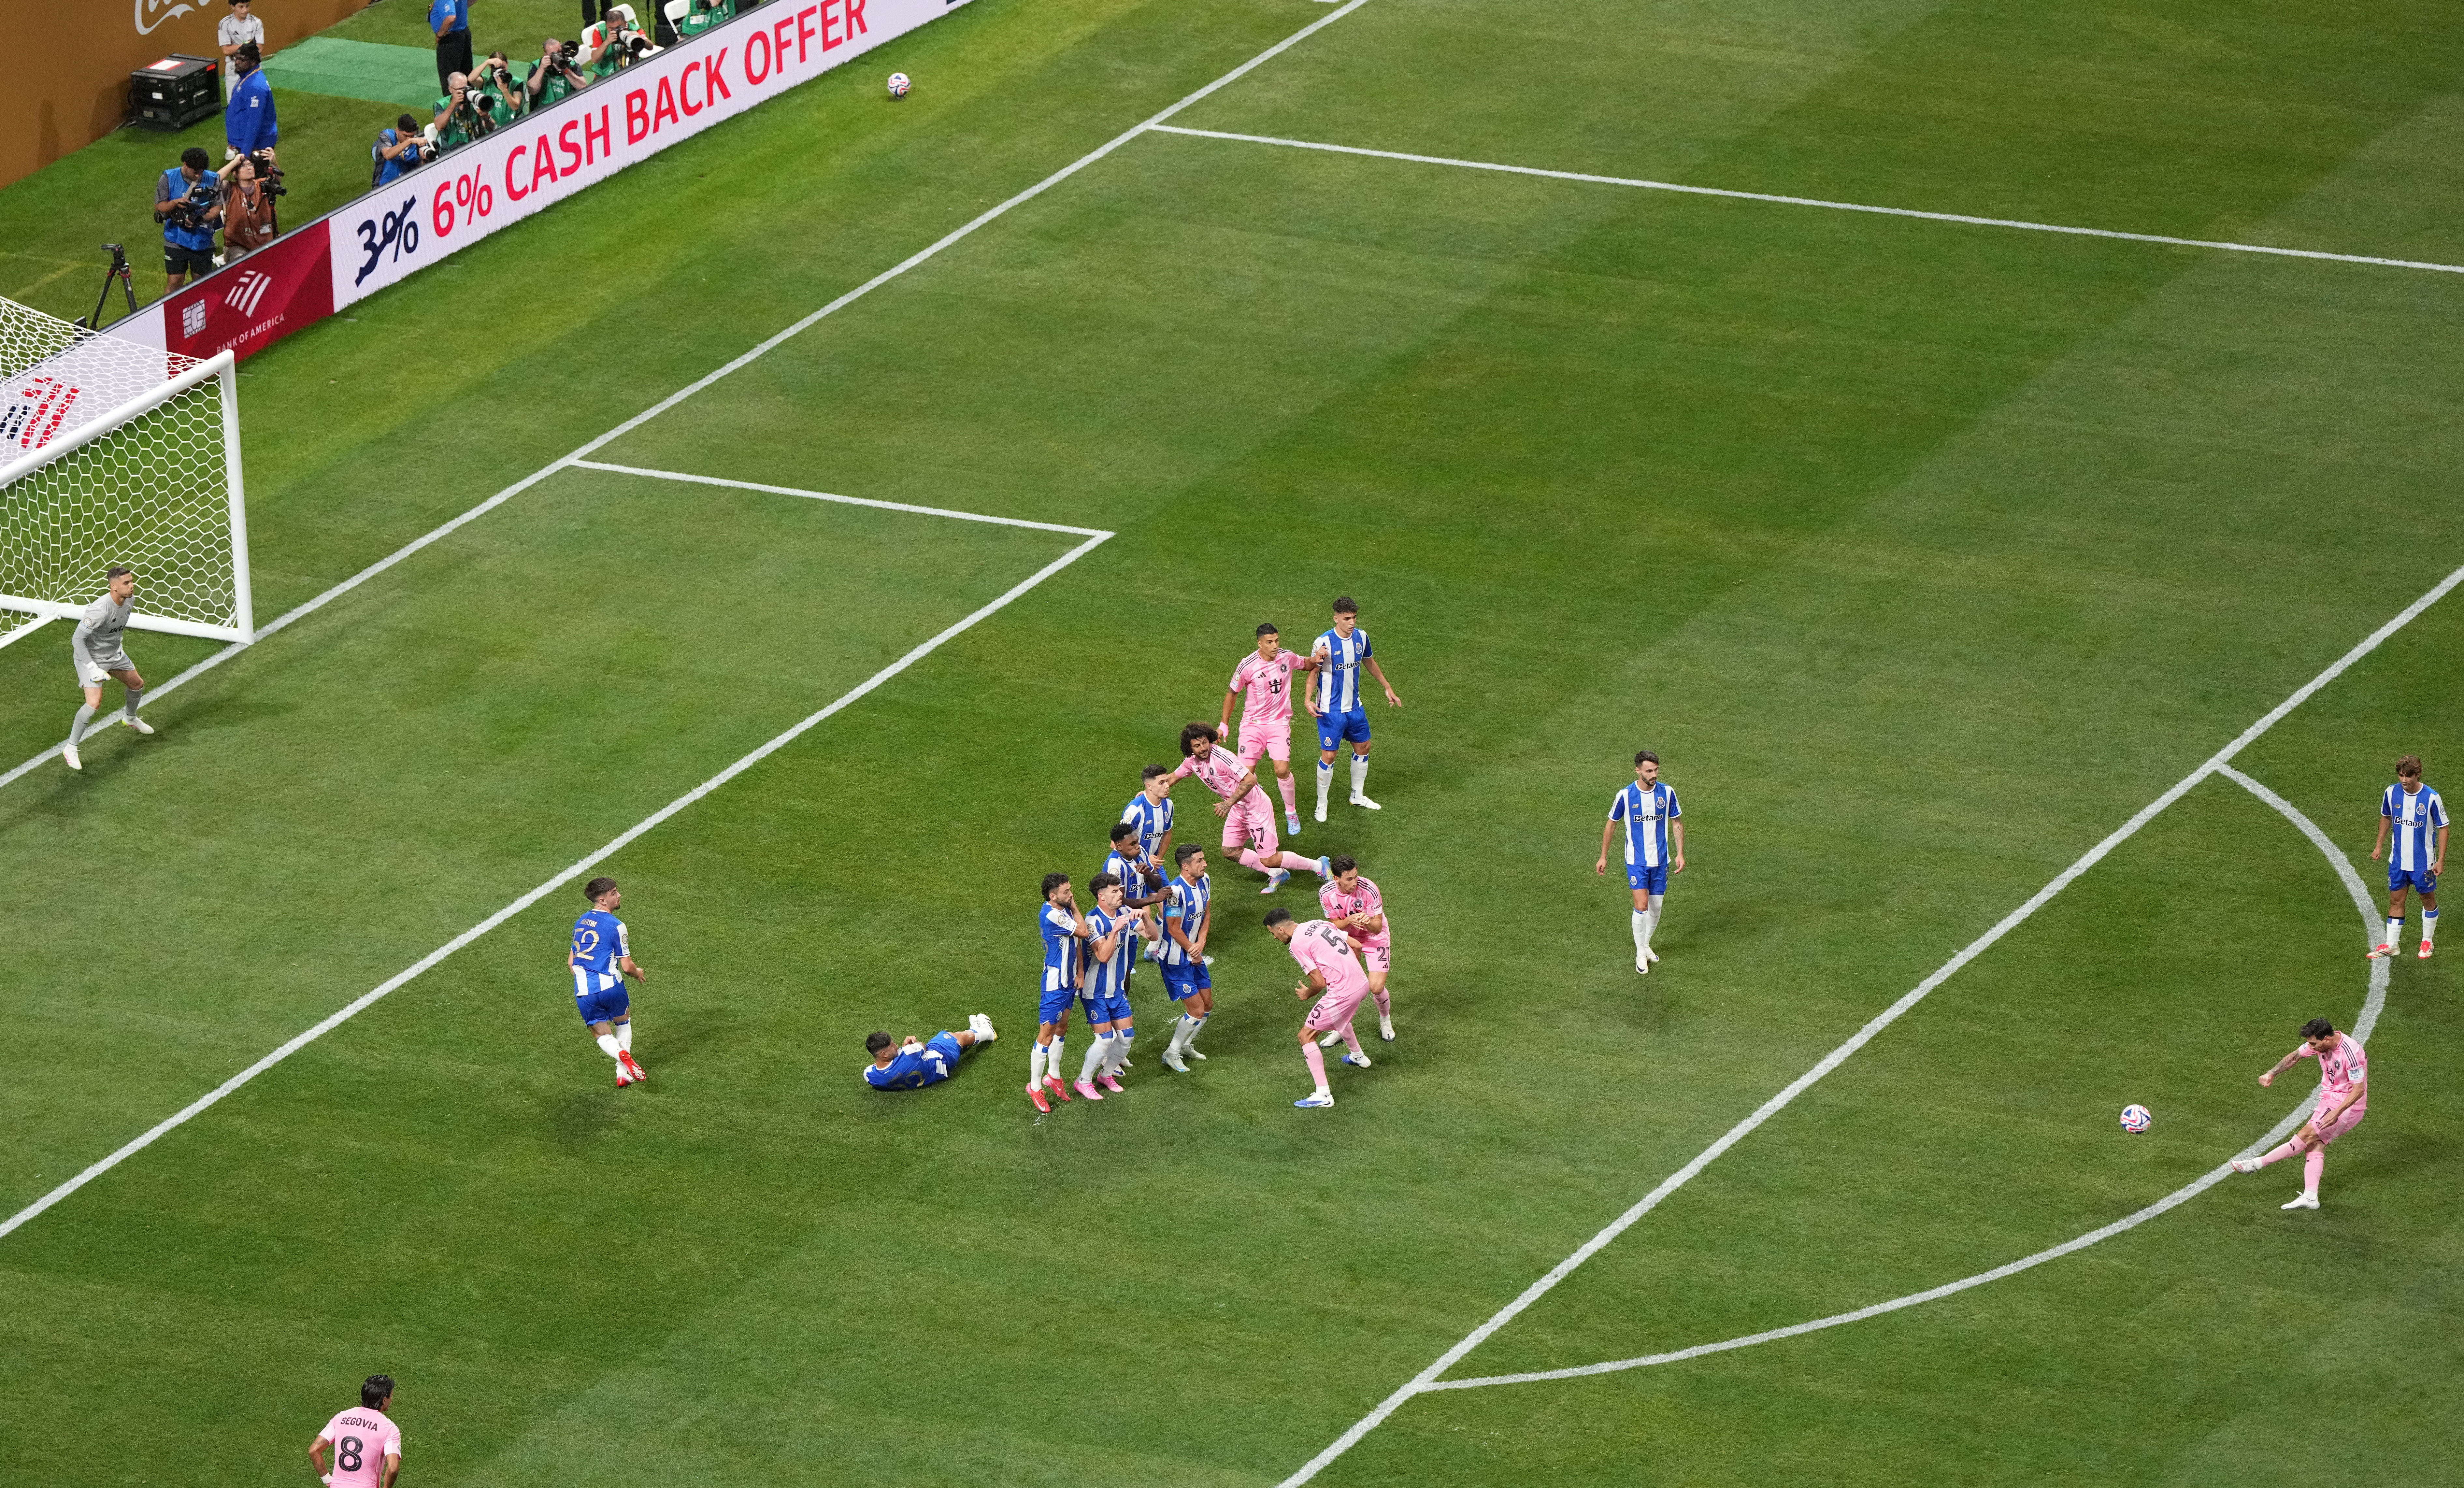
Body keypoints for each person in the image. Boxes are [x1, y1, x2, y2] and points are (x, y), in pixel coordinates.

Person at [1170, 722, 1331, 895]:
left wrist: (1228, 803)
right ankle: (1277, 873)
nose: (1203, 748)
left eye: (1205, 742)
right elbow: (1172, 778)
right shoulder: (1191, 763)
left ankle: (1319, 865)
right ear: (1190, 749)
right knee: (1230, 851)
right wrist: (1152, 791)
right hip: (1238, 809)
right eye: (1197, 746)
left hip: (1256, 808)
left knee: (1270, 859)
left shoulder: (1222, 758)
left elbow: (1250, 780)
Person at [2231, 1017, 2369, 1210]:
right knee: (2315, 1144)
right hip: (2329, 1100)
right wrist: (2272, 1072)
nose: (2311, 1047)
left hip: (2348, 1107)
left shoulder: (2352, 1053)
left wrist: (2337, 1113)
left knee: (2306, 1135)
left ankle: (2256, 1164)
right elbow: (2295, 1056)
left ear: (2327, 1039)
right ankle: (2311, 1197)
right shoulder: (2320, 1044)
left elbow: (2358, 1090)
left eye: (2314, 1043)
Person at [1266, 908, 1375, 1109]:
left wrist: (1308, 994)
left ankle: (1323, 1095)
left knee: (1306, 1036)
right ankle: (1358, 1056)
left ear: (1281, 930)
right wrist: (1348, 970)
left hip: (1343, 991)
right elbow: (1357, 945)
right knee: (1339, 1018)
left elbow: (1319, 982)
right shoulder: (1318, 923)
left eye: (1272, 933)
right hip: (1361, 982)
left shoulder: (1297, 944)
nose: (1274, 938)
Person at [1306, 596, 1401, 821]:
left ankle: (1357, 795)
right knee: (1329, 756)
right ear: (1336, 618)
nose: (1352, 623)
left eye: (1354, 618)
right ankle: (1322, 803)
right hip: (1330, 710)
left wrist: (1387, 687)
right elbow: (1313, 671)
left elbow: (1369, 661)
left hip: (1355, 708)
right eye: (1347, 618)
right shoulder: (1324, 642)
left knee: (1364, 747)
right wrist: (1308, 699)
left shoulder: (1362, 637)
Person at [1221, 622, 1316, 837]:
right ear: (1260, 644)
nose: (1275, 646)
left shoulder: (1287, 657)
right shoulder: (1247, 665)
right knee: (1244, 777)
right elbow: (1232, 692)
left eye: (1277, 641)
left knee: (1282, 770)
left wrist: (1317, 658)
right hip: (1252, 725)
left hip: (1279, 724)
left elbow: (1307, 664)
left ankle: (1291, 813)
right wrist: (1224, 723)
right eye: (1270, 642)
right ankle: (1253, 813)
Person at [1596, 749, 1684, 975]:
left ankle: (1645, 945)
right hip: (1636, 861)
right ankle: (1639, 953)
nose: (1654, 774)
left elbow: (1677, 823)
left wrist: (1680, 853)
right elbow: (1611, 824)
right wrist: (1603, 856)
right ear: (1638, 771)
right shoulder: (1626, 796)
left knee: (1657, 907)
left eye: (1656, 770)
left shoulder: (1668, 793)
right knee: (1642, 906)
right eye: (1649, 771)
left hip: (1661, 861)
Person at [63, 566, 152, 772]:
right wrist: (93, 668)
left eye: (131, 582)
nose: (132, 586)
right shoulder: (99, 610)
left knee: (137, 685)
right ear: (113, 587)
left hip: (115, 655)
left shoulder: (130, 600)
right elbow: (77, 640)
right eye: (126, 583)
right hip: (91, 659)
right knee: (94, 703)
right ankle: (71, 748)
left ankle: (130, 719)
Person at [1074, 873, 1151, 1099]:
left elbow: (1153, 935)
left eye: (1120, 890)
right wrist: (1116, 930)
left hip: (1116, 990)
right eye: (1115, 892)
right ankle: (1083, 1081)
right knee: (1105, 1039)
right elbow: (1103, 956)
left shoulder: (1125, 913)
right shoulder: (1092, 921)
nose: (1121, 895)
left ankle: (1106, 1074)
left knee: (1127, 1037)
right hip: (1094, 991)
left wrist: (1145, 918)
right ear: (1102, 897)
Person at [569, 876, 649, 1086]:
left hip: (584, 992)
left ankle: (620, 1058)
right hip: (611, 987)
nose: (619, 895)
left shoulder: (580, 923)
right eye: (614, 893)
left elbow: (571, 963)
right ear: (603, 900)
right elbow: (627, 966)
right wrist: (638, 973)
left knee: (600, 1033)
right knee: (623, 1021)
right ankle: (622, 1070)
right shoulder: (616, 925)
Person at [2367, 754, 2445, 960]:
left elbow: (2444, 828)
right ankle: (2392, 946)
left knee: (2427, 899)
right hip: (2398, 861)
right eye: (2401, 775)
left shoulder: (2431, 798)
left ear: (2418, 775)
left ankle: (2427, 941)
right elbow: (2386, 817)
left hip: (2424, 863)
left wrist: (2441, 860)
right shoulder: (2391, 793)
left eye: (2408, 776)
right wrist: (2379, 846)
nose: (2404, 780)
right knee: (2396, 899)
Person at [1313, 854, 1395, 1044]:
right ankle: (1341, 1029)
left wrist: (1366, 922)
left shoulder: (1370, 889)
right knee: (1341, 987)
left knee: (1376, 987)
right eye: (1349, 879)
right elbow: (1334, 925)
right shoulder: (1326, 894)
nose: (1355, 882)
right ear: (1337, 879)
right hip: (1348, 939)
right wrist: (1349, 921)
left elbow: (1377, 927)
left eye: (1356, 877)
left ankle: (1385, 1021)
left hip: (1375, 938)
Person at [1030, 872, 1091, 1112]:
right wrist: (1075, 906)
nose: (1071, 894)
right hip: (1055, 985)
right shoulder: (1053, 914)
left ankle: (1053, 1076)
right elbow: (1084, 933)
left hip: (1069, 981)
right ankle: (1035, 1087)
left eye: (1071, 890)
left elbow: (1075, 942)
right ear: (1053, 896)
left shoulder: (1062, 910)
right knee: (1046, 1035)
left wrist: (1081, 972)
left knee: (1062, 1028)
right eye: (1067, 892)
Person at [1157, 845, 1214, 1072]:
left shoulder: (1205, 881)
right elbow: (1173, 928)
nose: (1205, 864)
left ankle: (1186, 1044)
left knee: (1208, 1005)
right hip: (1175, 960)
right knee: (1196, 1010)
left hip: (1194, 953)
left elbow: (1207, 914)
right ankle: (1171, 1054)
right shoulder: (1174, 893)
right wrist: (1193, 949)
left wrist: (1201, 943)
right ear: (1186, 866)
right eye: (1200, 861)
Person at [309, 1374, 402, 1488]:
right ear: (384, 1400)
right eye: (391, 1396)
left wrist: (328, 1480)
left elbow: (314, 1450)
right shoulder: (390, 1429)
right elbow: (393, 1468)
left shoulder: (341, 1417)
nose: (392, 1400)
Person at [863, 1015, 995, 1090]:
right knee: (952, 1037)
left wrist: (902, 1051)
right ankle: (987, 1032)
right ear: (884, 1054)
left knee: (956, 1041)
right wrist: (908, 1046)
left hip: (928, 1075)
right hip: (941, 1060)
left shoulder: (871, 1077)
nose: (896, 1046)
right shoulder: (908, 1054)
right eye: (893, 1046)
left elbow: (892, 1070)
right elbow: (922, 1046)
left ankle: (974, 1030)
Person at [153, 147, 221, 293]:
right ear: (185, 164)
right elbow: (160, 206)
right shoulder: (168, 177)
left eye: (201, 172)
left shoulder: (214, 178)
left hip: (203, 239)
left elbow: (217, 208)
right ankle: (170, 313)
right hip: (175, 238)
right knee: (175, 281)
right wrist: (175, 203)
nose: (198, 175)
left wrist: (200, 219)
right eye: (195, 172)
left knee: (201, 281)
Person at [224, 43, 279, 163]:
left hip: (257, 145)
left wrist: (245, 153)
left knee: (256, 180)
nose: (237, 62)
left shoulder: (255, 87)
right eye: (236, 58)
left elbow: (254, 123)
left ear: (254, 62)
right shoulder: (248, 77)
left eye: (242, 59)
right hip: (248, 142)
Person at [221, 154, 277, 261]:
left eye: (251, 165)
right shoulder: (230, 189)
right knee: (241, 262)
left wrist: (274, 162)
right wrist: (234, 162)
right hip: (238, 245)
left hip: (266, 241)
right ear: (235, 174)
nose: (249, 168)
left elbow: (277, 181)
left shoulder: (263, 185)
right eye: (244, 166)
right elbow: (214, 181)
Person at [1121, 763, 1177, 869]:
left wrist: (1158, 859)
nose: (1168, 786)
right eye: (1162, 783)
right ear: (1149, 786)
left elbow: (1168, 833)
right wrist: (1145, 859)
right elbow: (1116, 844)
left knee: (1167, 886)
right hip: (1134, 866)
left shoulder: (1168, 805)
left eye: (1167, 781)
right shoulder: (1136, 811)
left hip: (1154, 865)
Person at [218, 0, 267, 100]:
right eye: (241, 7)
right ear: (233, 7)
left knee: (254, 102)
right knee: (234, 103)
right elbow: (226, 51)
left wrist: (237, 48)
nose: (245, 10)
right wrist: (247, 45)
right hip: (234, 69)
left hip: (254, 69)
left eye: (247, 6)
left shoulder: (257, 22)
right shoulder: (225, 24)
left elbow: (260, 48)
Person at [524, 38, 588, 111]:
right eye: (554, 55)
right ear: (546, 55)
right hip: (542, 111)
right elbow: (533, 91)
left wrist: (566, 70)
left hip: (568, 109)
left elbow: (583, 87)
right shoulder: (537, 65)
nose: (558, 57)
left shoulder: (572, 65)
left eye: (560, 53)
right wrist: (542, 69)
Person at [430, 0, 474, 95]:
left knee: (450, 79)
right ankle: (467, 106)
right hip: (464, 34)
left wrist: (440, 35)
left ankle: (453, 107)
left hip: (450, 40)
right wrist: (461, 8)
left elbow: (451, 18)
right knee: (465, 75)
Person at [373, 116, 429, 187]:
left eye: (412, 136)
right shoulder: (387, 136)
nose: (409, 138)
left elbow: (422, 170)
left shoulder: (419, 141)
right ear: (397, 130)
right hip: (384, 185)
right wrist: (410, 141)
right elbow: (388, 155)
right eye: (406, 136)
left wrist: (424, 160)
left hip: (408, 185)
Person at [472, 50, 527, 121]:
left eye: (503, 67)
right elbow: (471, 79)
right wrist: (487, 62)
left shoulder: (517, 82)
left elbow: (515, 106)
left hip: (510, 125)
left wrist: (504, 90)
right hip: (489, 125)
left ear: (507, 64)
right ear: (491, 68)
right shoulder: (486, 81)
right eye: (497, 68)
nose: (501, 71)